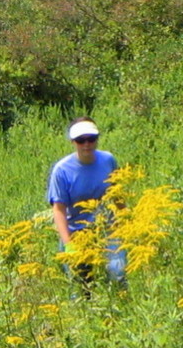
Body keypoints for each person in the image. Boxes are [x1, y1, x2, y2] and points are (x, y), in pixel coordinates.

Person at [47, 117, 126, 285]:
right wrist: (69, 245)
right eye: (80, 140)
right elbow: (59, 210)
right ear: (73, 142)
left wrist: (128, 222)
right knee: (80, 285)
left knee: (117, 272)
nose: (86, 144)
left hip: (107, 228)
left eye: (91, 139)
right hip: (78, 233)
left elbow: (117, 193)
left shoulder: (108, 160)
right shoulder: (62, 170)